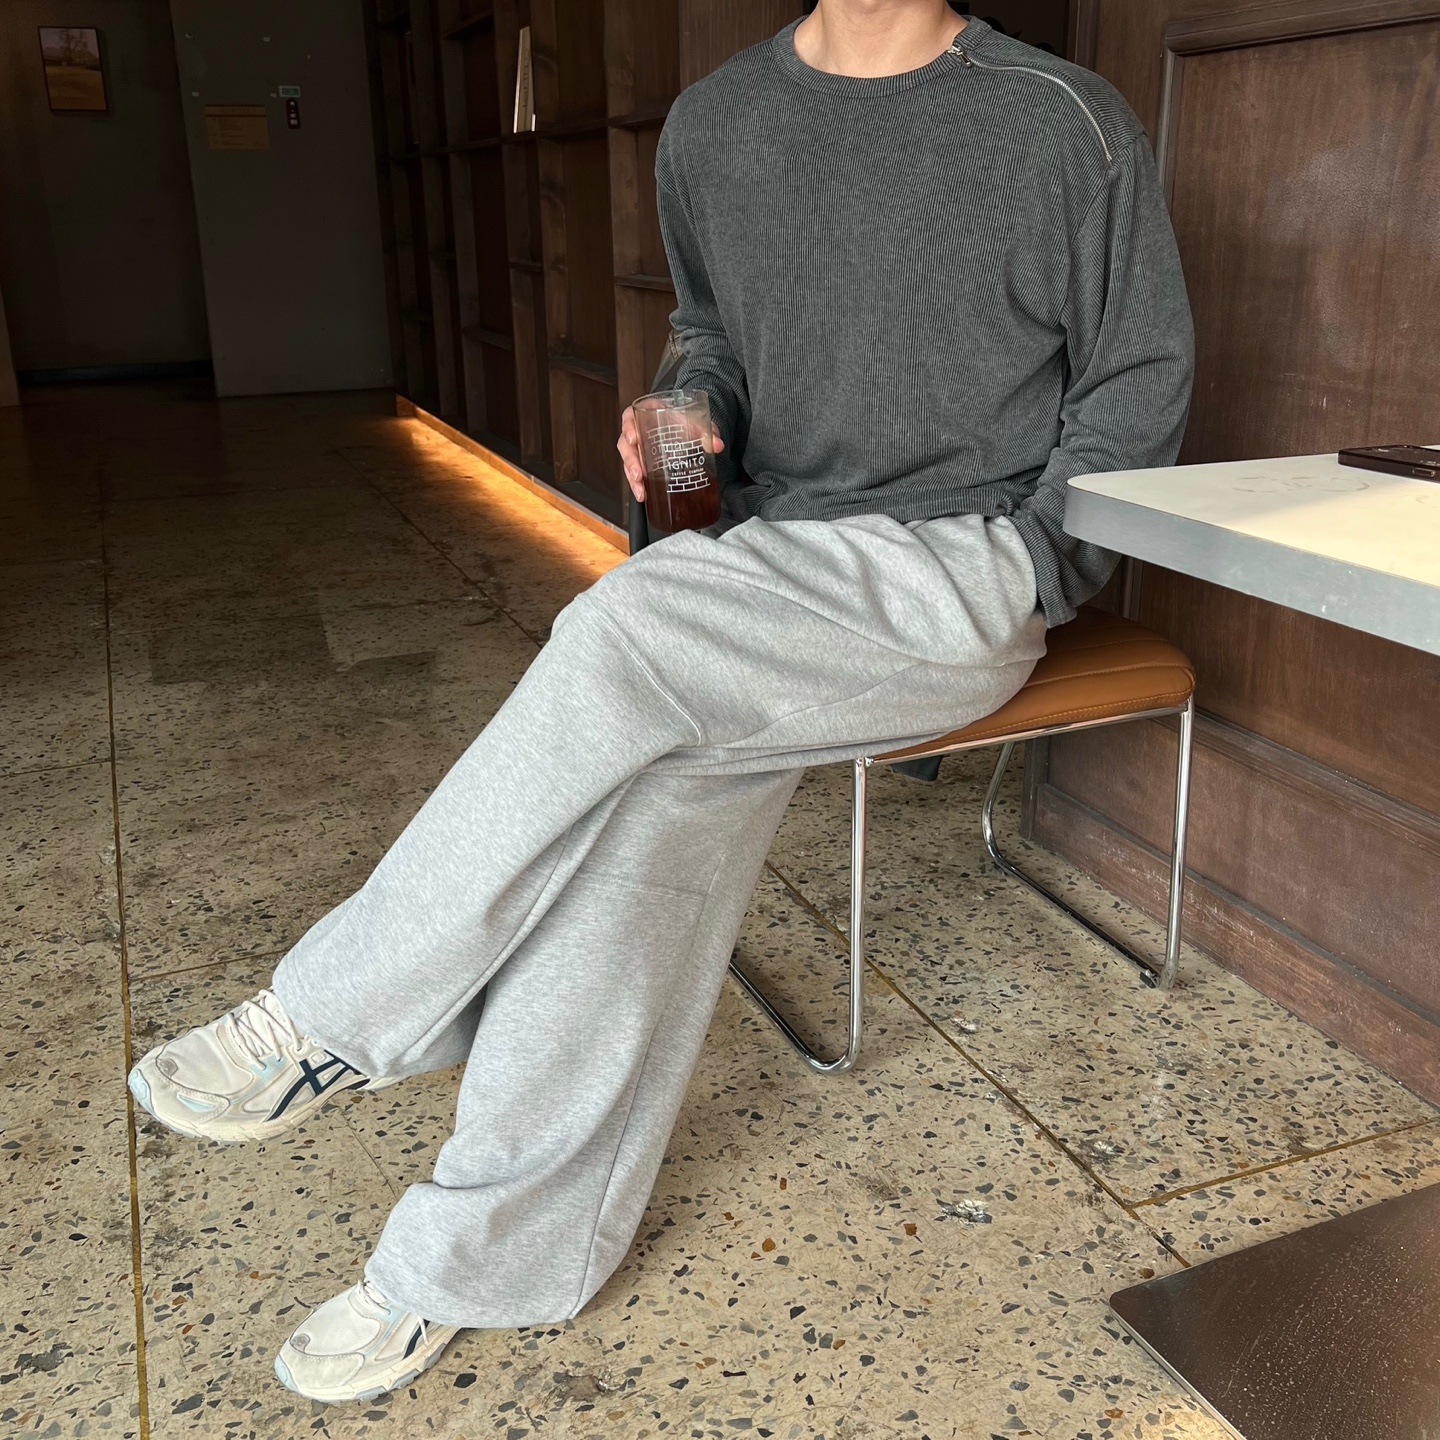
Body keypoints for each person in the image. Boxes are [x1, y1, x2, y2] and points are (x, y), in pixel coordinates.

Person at [128, 0, 1193, 1405]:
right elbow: (714, 340)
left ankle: (335, 1012)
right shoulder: (714, 123)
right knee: (644, 811)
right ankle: (487, 1259)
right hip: (767, 565)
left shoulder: (1060, 122)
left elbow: (1137, 382)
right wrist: (687, 413)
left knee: (627, 628)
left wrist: (1040, 563)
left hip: (958, 568)